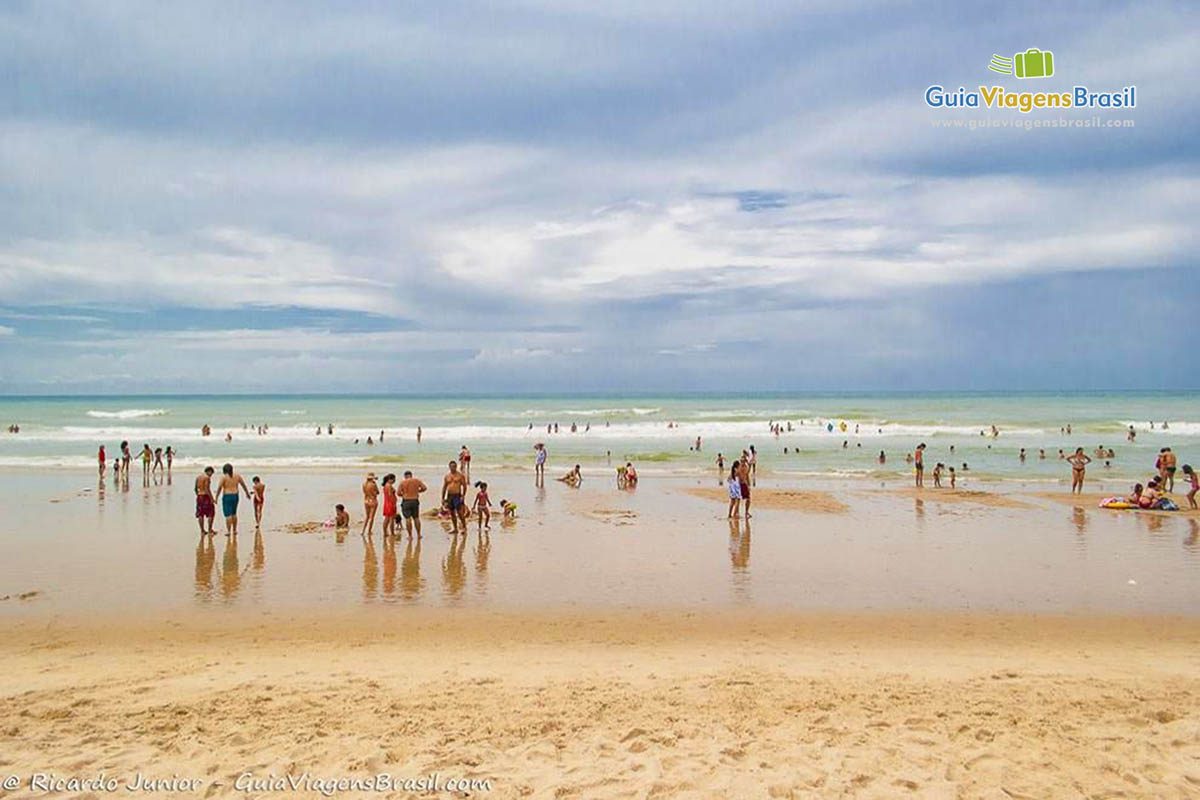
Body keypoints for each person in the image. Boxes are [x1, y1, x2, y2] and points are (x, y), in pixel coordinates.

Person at [214, 463, 252, 536]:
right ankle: (234, 530)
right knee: (234, 513)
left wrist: (216, 497)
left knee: (228, 515)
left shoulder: (224, 477)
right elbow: (243, 484)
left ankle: (228, 531)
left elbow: (219, 488)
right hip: (235, 495)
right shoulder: (237, 476)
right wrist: (247, 493)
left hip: (227, 496)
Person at [442, 461, 468, 533]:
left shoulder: (460, 475)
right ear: (449, 467)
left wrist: (463, 495)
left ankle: (464, 527)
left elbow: (465, 486)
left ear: (456, 467)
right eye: (451, 466)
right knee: (452, 513)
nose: (452, 468)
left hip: (457, 495)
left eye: (454, 466)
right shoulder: (447, 476)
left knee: (460, 512)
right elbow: (444, 487)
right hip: (449, 496)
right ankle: (455, 528)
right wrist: (443, 498)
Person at [399, 470, 427, 537]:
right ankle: (419, 534)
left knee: (408, 518)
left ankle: (410, 535)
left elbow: (398, 493)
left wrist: (404, 494)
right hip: (415, 500)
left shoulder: (403, 482)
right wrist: (418, 491)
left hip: (406, 501)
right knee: (416, 518)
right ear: (411, 475)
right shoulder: (416, 481)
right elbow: (424, 488)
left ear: (405, 476)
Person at [194, 466, 216, 535]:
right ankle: (210, 530)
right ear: (209, 471)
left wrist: (198, 495)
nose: (211, 475)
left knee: (200, 514)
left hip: (199, 496)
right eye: (211, 473)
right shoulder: (207, 478)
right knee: (211, 513)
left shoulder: (198, 477)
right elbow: (207, 489)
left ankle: (202, 530)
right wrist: (212, 499)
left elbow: (195, 488)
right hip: (206, 497)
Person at [380, 473, 397, 538]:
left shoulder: (386, 485)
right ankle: (392, 533)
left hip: (387, 503)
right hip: (390, 504)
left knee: (387, 519)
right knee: (391, 519)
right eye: (393, 479)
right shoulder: (389, 486)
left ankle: (385, 532)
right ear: (390, 479)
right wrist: (394, 504)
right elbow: (390, 495)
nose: (394, 480)